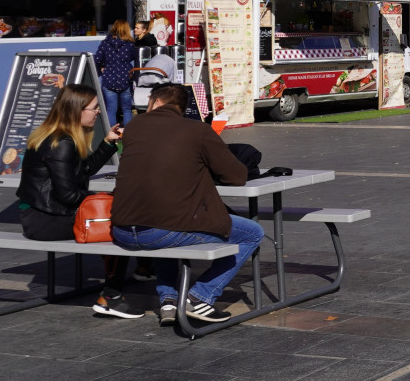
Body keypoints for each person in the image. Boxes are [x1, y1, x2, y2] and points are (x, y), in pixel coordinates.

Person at [109, 83, 260, 324]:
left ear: (155, 102)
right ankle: (200, 297)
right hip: (159, 230)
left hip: (121, 229)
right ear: (181, 107)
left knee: (163, 221)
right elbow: (237, 176)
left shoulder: (135, 126)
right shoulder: (197, 130)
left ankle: (169, 299)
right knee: (252, 233)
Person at [14, 82, 135, 317]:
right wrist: (105, 200)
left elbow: (85, 170)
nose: (98, 112)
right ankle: (112, 296)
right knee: (123, 225)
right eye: (94, 108)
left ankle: (122, 284)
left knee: (118, 217)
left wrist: (108, 142)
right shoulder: (62, 143)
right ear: (77, 110)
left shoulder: (59, 136)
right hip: (44, 220)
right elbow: (69, 196)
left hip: (41, 214)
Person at [94, 20, 139, 130]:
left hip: (109, 79)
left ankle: (112, 134)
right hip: (125, 79)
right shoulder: (130, 44)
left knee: (111, 109)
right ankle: (127, 133)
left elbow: (97, 60)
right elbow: (136, 58)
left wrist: (101, 72)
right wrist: (134, 74)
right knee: (126, 109)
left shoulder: (105, 43)